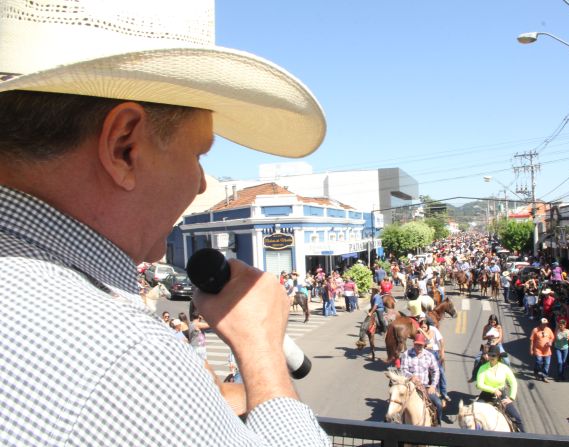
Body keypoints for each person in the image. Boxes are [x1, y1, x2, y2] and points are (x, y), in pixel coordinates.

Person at [0, 0, 329, 444]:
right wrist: (261, 349)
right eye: (198, 155)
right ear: (124, 147)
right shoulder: (121, 355)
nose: (199, 185)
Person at [475, 345, 525, 432]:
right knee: (475, 416)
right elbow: (479, 384)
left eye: (493, 355)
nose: (491, 357)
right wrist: (493, 390)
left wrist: (511, 397)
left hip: (501, 395)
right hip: (486, 395)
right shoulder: (483, 368)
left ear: (498, 356)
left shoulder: (504, 368)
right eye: (489, 355)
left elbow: (513, 382)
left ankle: (525, 439)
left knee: (517, 418)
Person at [399, 333, 443, 425]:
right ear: (413, 343)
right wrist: (411, 377)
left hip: (425, 386)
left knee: (438, 404)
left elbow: (436, 371)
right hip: (409, 386)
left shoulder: (429, 356)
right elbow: (403, 370)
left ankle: (437, 425)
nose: (418, 346)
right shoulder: (406, 354)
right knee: (396, 403)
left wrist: (433, 386)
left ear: (424, 345)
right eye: (417, 344)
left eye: (421, 345)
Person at [418, 316, 450, 402]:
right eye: (421, 326)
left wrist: (442, 352)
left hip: (433, 352)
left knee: (440, 371)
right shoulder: (419, 332)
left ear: (428, 326)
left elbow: (429, 339)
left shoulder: (432, 330)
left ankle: (443, 392)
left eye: (424, 327)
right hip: (423, 352)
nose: (423, 328)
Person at [530, 318, 554, 382]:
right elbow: (532, 340)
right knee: (538, 362)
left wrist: (550, 342)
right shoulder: (535, 330)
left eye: (546, 324)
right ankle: (536, 371)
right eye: (543, 324)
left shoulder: (548, 330)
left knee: (547, 363)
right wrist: (531, 349)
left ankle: (544, 376)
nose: (544, 325)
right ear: (540, 323)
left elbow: (552, 337)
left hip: (547, 350)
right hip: (538, 350)